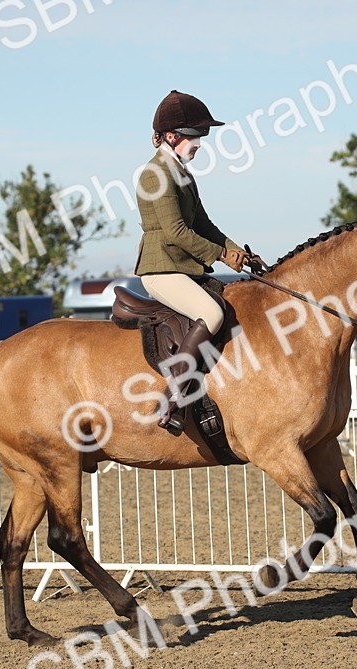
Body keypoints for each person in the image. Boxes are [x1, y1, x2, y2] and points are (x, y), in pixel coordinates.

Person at [134, 90, 252, 435]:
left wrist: (240, 253)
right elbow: (175, 231)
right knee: (212, 313)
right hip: (161, 269)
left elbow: (205, 225)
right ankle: (172, 398)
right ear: (172, 137)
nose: (200, 143)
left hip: (182, 267)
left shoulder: (182, 174)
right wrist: (220, 255)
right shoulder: (155, 174)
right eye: (195, 136)